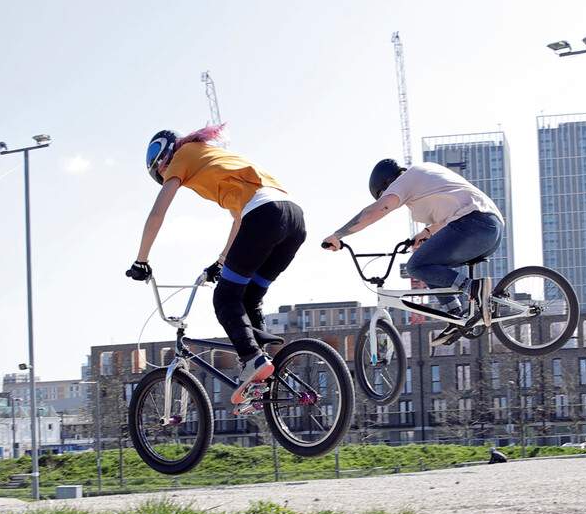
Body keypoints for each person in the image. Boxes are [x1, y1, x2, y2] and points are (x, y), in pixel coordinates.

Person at [127, 125, 305, 403]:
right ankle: (264, 372)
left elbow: (157, 213)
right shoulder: (212, 156)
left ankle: (253, 361)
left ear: (163, 154)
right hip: (293, 219)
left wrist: (141, 261)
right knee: (248, 297)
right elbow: (238, 219)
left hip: (265, 215)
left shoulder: (181, 157)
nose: (162, 173)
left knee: (225, 298)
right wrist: (221, 262)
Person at [320, 157, 505, 335]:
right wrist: (426, 233)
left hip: (474, 224)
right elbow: (452, 210)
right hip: (489, 230)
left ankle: (474, 288)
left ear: (388, 182)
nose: (389, 198)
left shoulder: (405, 179)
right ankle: (456, 316)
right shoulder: (424, 174)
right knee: (429, 264)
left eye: (384, 194)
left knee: (416, 266)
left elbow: (376, 211)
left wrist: (338, 235)